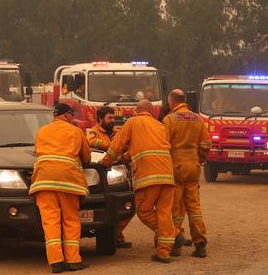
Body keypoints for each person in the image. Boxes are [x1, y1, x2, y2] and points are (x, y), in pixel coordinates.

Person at [100, 99, 184, 263]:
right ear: (151, 112)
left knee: (144, 211)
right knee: (164, 213)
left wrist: (106, 162)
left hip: (149, 176)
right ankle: (164, 252)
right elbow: (147, 148)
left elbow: (118, 143)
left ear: (136, 112)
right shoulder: (159, 125)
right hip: (167, 176)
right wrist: (126, 157)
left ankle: (173, 234)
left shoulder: (133, 122)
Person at [30, 103, 91, 273]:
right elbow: (86, 157)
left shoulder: (41, 131)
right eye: (72, 115)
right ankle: (73, 261)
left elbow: (38, 152)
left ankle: (56, 262)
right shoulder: (75, 131)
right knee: (70, 220)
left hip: (43, 180)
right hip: (68, 181)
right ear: (67, 115)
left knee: (50, 222)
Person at [162, 89, 211, 258]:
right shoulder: (197, 118)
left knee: (175, 208)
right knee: (194, 207)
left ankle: (175, 245)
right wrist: (200, 159)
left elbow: (164, 144)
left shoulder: (169, 119)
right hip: (193, 167)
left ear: (173, 102)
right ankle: (200, 244)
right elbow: (206, 143)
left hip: (176, 168)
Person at [87, 106, 132, 249]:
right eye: (109, 118)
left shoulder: (118, 132)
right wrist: (115, 146)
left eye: (114, 118)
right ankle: (116, 236)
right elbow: (92, 143)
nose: (113, 121)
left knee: (128, 207)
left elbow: (128, 146)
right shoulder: (92, 133)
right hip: (101, 176)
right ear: (100, 119)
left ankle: (116, 233)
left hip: (119, 173)